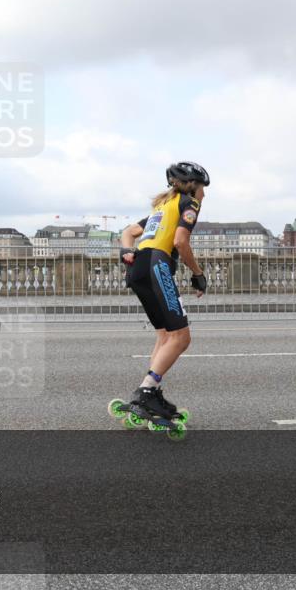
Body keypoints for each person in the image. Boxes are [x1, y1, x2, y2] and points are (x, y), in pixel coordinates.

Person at [118, 161, 210, 420]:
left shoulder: (161, 207)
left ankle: (152, 390)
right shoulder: (190, 204)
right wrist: (198, 273)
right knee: (181, 338)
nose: (204, 193)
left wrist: (126, 250)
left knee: (165, 336)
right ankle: (146, 392)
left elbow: (128, 232)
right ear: (193, 187)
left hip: (138, 270)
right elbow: (181, 242)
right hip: (158, 265)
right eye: (203, 187)